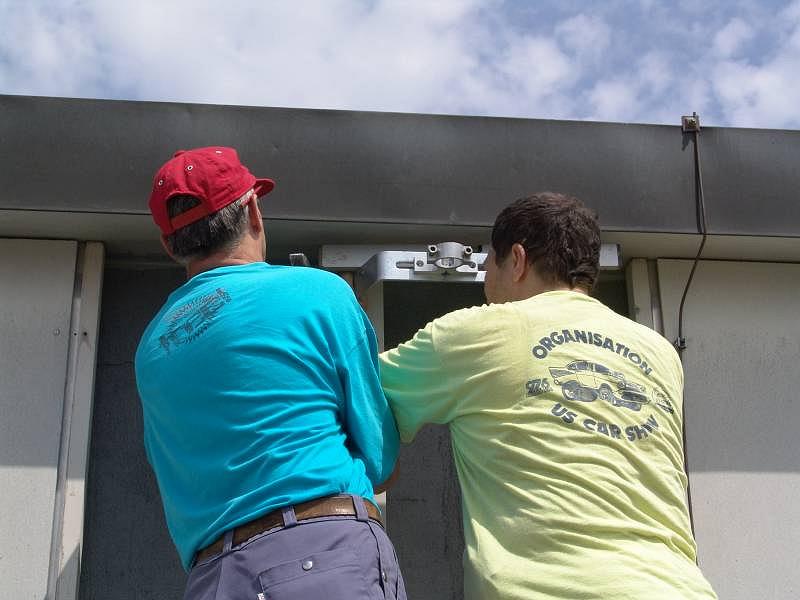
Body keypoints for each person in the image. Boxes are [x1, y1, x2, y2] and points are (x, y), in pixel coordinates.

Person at [379, 192, 717, 599]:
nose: (486, 285)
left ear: (517, 260)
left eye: (489, 266)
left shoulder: (483, 331)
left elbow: (349, 388)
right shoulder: (659, 351)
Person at [135, 146, 406, 600]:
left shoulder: (151, 347)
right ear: (253, 209)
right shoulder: (319, 292)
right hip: (321, 556)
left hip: (213, 579)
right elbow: (380, 461)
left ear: (169, 245)